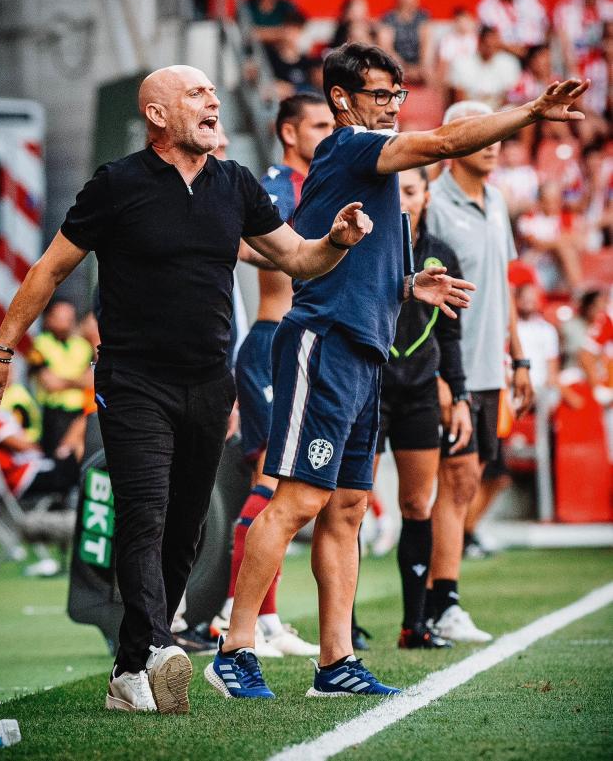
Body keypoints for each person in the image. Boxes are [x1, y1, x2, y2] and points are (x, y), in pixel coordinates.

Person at [0, 64, 374, 715]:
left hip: (210, 382)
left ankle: (131, 670)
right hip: (133, 381)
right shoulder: (117, 183)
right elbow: (50, 268)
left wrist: (338, 241)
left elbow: (297, 257)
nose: (213, 100)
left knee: (185, 528)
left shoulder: (235, 184)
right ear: (157, 115)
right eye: (197, 93)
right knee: (145, 514)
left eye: (214, 92)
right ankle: (158, 649)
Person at [208, 42, 588, 701]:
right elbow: (442, 141)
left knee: (349, 506)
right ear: (343, 98)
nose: (390, 105)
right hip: (322, 344)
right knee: (296, 497)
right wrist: (530, 111)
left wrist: (412, 286)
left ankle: (336, 662)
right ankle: (235, 646)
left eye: (395, 95)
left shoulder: (371, 171)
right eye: (380, 93)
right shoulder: (353, 145)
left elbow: (356, 264)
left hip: (363, 350)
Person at [212, 94, 335, 658]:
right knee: (269, 485)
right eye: (319, 125)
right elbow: (240, 243)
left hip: (303, 348)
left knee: (286, 487)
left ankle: (267, 618)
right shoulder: (276, 184)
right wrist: (297, 253)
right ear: (289, 132)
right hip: (269, 345)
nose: (329, 133)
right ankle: (247, 620)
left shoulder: (319, 180)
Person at [425, 100, 534, 642]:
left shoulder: (495, 199)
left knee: (469, 479)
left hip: (492, 366)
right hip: (451, 367)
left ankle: (438, 597)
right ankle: (439, 601)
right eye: (480, 131)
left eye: (498, 133)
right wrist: (444, 374)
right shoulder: (434, 204)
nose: (494, 141)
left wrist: (520, 358)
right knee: (454, 477)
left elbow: (504, 284)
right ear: (451, 137)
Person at [375, 166, 471, 649]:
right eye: (395, 191)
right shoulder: (367, 248)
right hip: (368, 387)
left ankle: (415, 625)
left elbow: (451, 334)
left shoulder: (444, 255)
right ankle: (344, 627)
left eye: (412, 191)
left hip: (418, 394)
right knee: (349, 506)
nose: (403, 201)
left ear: (428, 195)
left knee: (417, 504)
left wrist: (459, 393)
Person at [28, 300, 93, 456]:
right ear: (49, 318)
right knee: (53, 459)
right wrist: (77, 381)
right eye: (60, 317)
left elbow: (91, 380)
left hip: (79, 413)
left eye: (69, 317)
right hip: (52, 413)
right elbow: (50, 383)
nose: (66, 322)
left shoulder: (83, 346)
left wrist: (63, 381)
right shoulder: (39, 344)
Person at [476, 0, 549, 58]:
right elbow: (488, 38)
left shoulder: (534, 0)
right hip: (505, 55)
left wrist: (541, 51)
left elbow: (547, 28)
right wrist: (516, 51)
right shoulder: (488, 5)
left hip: (536, 54)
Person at [449, 26, 521, 109]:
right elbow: (459, 98)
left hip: (499, 112)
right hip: (470, 111)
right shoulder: (462, 62)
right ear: (479, 42)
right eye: (487, 45)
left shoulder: (509, 63)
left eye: (494, 45)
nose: (490, 49)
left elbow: (509, 96)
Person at [381, 0, 431, 84]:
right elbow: (387, 48)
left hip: (419, 67)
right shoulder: (388, 18)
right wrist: (405, 68)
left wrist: (420, 67)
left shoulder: (423, 17)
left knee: (430, 74)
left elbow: (426, 46)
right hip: (396, 64)